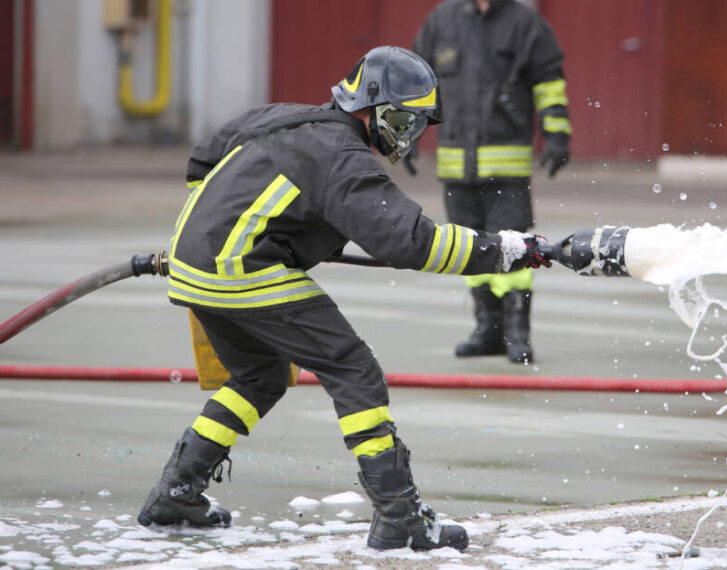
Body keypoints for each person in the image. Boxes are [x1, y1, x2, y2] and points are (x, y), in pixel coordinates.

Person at [136, 46, 551, 552]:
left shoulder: (283, 116)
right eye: (403, 119)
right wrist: (507, 249)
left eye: (416, 125)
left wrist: (266, 227)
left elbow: (202, 160)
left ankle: (175, 495)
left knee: (259, 377)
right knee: (354, 369)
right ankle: (400, 515)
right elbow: (414, 242)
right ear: (370, 104)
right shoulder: (343, 158)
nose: (406, 135)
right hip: (240, 268)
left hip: (193, 261)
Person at [410, 0, 571, 364]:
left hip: (506, 167)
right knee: (469, 249)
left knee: (514, 247)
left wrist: (557, 134)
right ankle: (488, 331)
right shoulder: (441, 21)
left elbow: (549, 84)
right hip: (455, 166)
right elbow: (417, 83)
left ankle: (517, 334)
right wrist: (409, 134)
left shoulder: (525, 24)